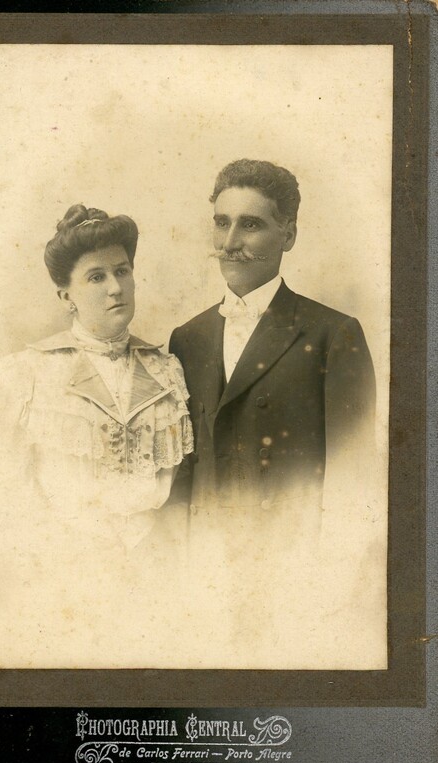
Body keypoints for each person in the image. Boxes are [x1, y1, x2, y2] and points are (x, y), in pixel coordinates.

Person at [168, 160, 385, 668]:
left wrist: (332, 584)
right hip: (206, 573)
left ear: (288, 234)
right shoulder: (187, 338)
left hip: (292, 573)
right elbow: (183, 471)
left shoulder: (332, 333)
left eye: (251, 224)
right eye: (221, 222)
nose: (229, 242)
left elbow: (354, 482)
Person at [0, 205, 194, 668]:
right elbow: (4, 501)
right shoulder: (25, 375)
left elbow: (181, 491)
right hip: (65, 578)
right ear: (66, 295)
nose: (116, 287)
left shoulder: (166, 370)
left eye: (122, 271)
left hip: (157, 575)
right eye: (96, 277)